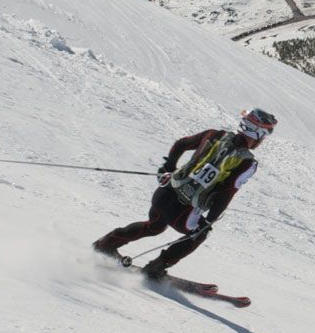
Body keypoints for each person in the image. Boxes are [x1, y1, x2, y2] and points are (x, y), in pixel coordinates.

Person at [93, 108, 277, 278]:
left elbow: (181, 144)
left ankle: (106, 244)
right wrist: (209, 220)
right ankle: (156, 268)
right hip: (183, 211)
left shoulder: (215, 135)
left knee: (154, 225)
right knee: (199, 234)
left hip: (164, 193)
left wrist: (167, 167)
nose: (262, 141)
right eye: (264, 136)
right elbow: (227, 193)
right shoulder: (247, 162)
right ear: (258, 133)